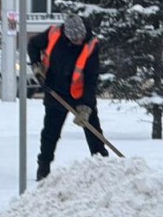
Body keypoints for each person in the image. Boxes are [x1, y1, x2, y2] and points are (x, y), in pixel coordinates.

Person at [28, 14, 106, 181]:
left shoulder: (91, 45)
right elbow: (33, 45)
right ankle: (43, 167)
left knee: (93, 132)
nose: (79, 41)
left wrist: (86, 106)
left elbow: (91, 79)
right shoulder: (53, 34)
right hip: (54, 90)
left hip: (80, 94)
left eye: (81, 38)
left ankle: (104, 167)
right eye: (75, 39)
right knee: (50, 132)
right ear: (67, 36)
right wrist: (36, 66)